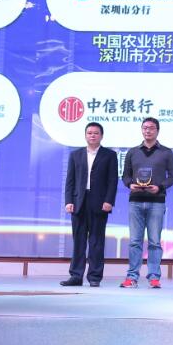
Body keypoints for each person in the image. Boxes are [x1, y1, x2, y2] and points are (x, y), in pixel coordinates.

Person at [119, 117, 173, 289]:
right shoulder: (132, 152)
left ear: (157, 130)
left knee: (154, 242)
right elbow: (125, 175)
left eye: (151, 128)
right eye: (145, 128)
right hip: (135, 201)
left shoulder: (166, 152)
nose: (148, 131)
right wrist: (130, 184)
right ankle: (132, 277)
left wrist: (159, 187)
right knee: (134, 241)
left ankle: (154, 277)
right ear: (141, 130)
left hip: (157, 202)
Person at [61, 122, 118, 287]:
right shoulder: (75, 155)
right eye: (89, 133)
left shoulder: (109, 155)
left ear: (101, 136)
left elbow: (112, 181)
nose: (92, 135)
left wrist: (109, 201)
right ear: (85, 135)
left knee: (96, 241)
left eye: (96, 133)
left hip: (99, 203)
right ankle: (76, 276)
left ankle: (94, 276)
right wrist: (68, 201)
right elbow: (70, 181)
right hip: (78, 202)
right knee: (78, 241)